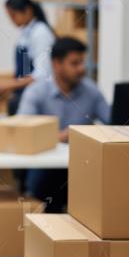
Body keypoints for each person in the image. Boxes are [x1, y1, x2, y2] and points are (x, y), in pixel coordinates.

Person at [17, 37, 110, 212]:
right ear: (57, 65)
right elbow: (23, 134)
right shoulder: (37, 92)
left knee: (106, 183)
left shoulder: (91, 90)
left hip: (81, 162)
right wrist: (66, 134)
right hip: (45, 164)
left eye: (82, 62)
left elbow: (114, 121)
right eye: (75, 63)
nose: (81, 68)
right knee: (47, 184)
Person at [0, 0, 56, 114]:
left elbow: (41, 75)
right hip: (23, 94)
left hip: (37, 98)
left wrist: (9, 85)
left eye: (13, 15)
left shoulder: (41, 34)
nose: (12, 21)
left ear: (27, 10)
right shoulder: (25, 32)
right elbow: (23, 70)